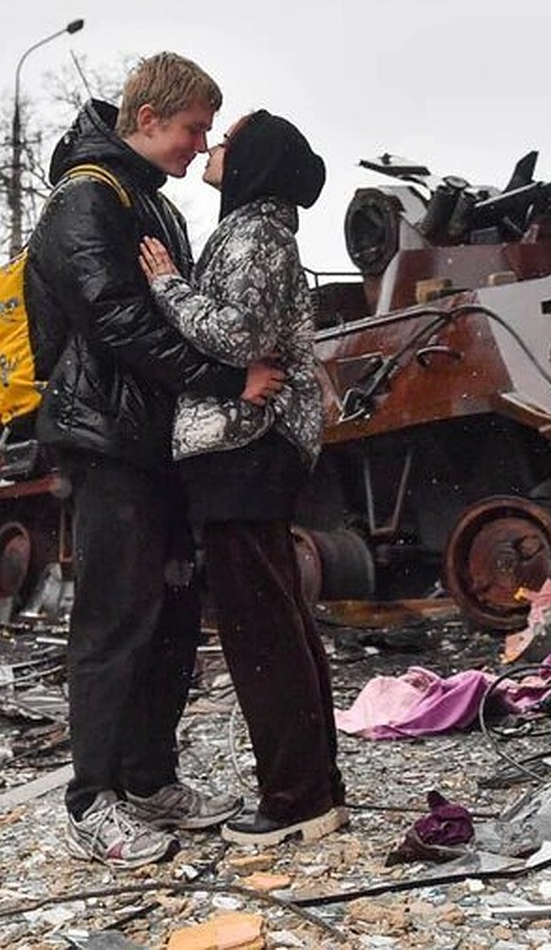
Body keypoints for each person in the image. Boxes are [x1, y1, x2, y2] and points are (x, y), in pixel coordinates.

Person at [25, 53, 286, 869]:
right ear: (146, 120)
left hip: (158, 440)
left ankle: (148, 777)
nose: (198, 145)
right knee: (113, 621)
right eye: (192, 130)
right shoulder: (86, 200)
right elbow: (118, 325)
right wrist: (227, 381)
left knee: (170, 617)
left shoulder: (151, 205)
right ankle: (90, 799)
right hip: (109, 443)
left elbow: (180, 315)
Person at [138, 109, 347, 847]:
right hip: (252, 448)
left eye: (228, 142)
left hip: (246, 444)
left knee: (261, 631)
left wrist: (167, 286)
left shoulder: (255, 235)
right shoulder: (257, 230)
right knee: (280, 621)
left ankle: (295, 799)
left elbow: (242, 338)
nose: (213, 147)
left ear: (255, 162)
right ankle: (315, 787)